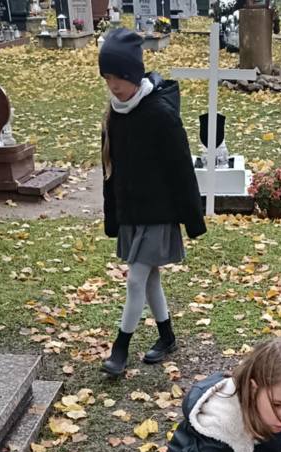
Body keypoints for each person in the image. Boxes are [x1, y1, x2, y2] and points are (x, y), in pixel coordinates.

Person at [99, 27, 205, 377]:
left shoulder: (160, 113)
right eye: (107, 77)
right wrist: (113, 218)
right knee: (149, 279)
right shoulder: (113, 115)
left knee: (135, 280)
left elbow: (181, 169)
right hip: (132, 215)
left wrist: (193, 219)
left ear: (134, 73)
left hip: (159, 215)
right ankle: (167, 337)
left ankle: (120, 349)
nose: (114, 85)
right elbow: (110, 172)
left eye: (120, 76)